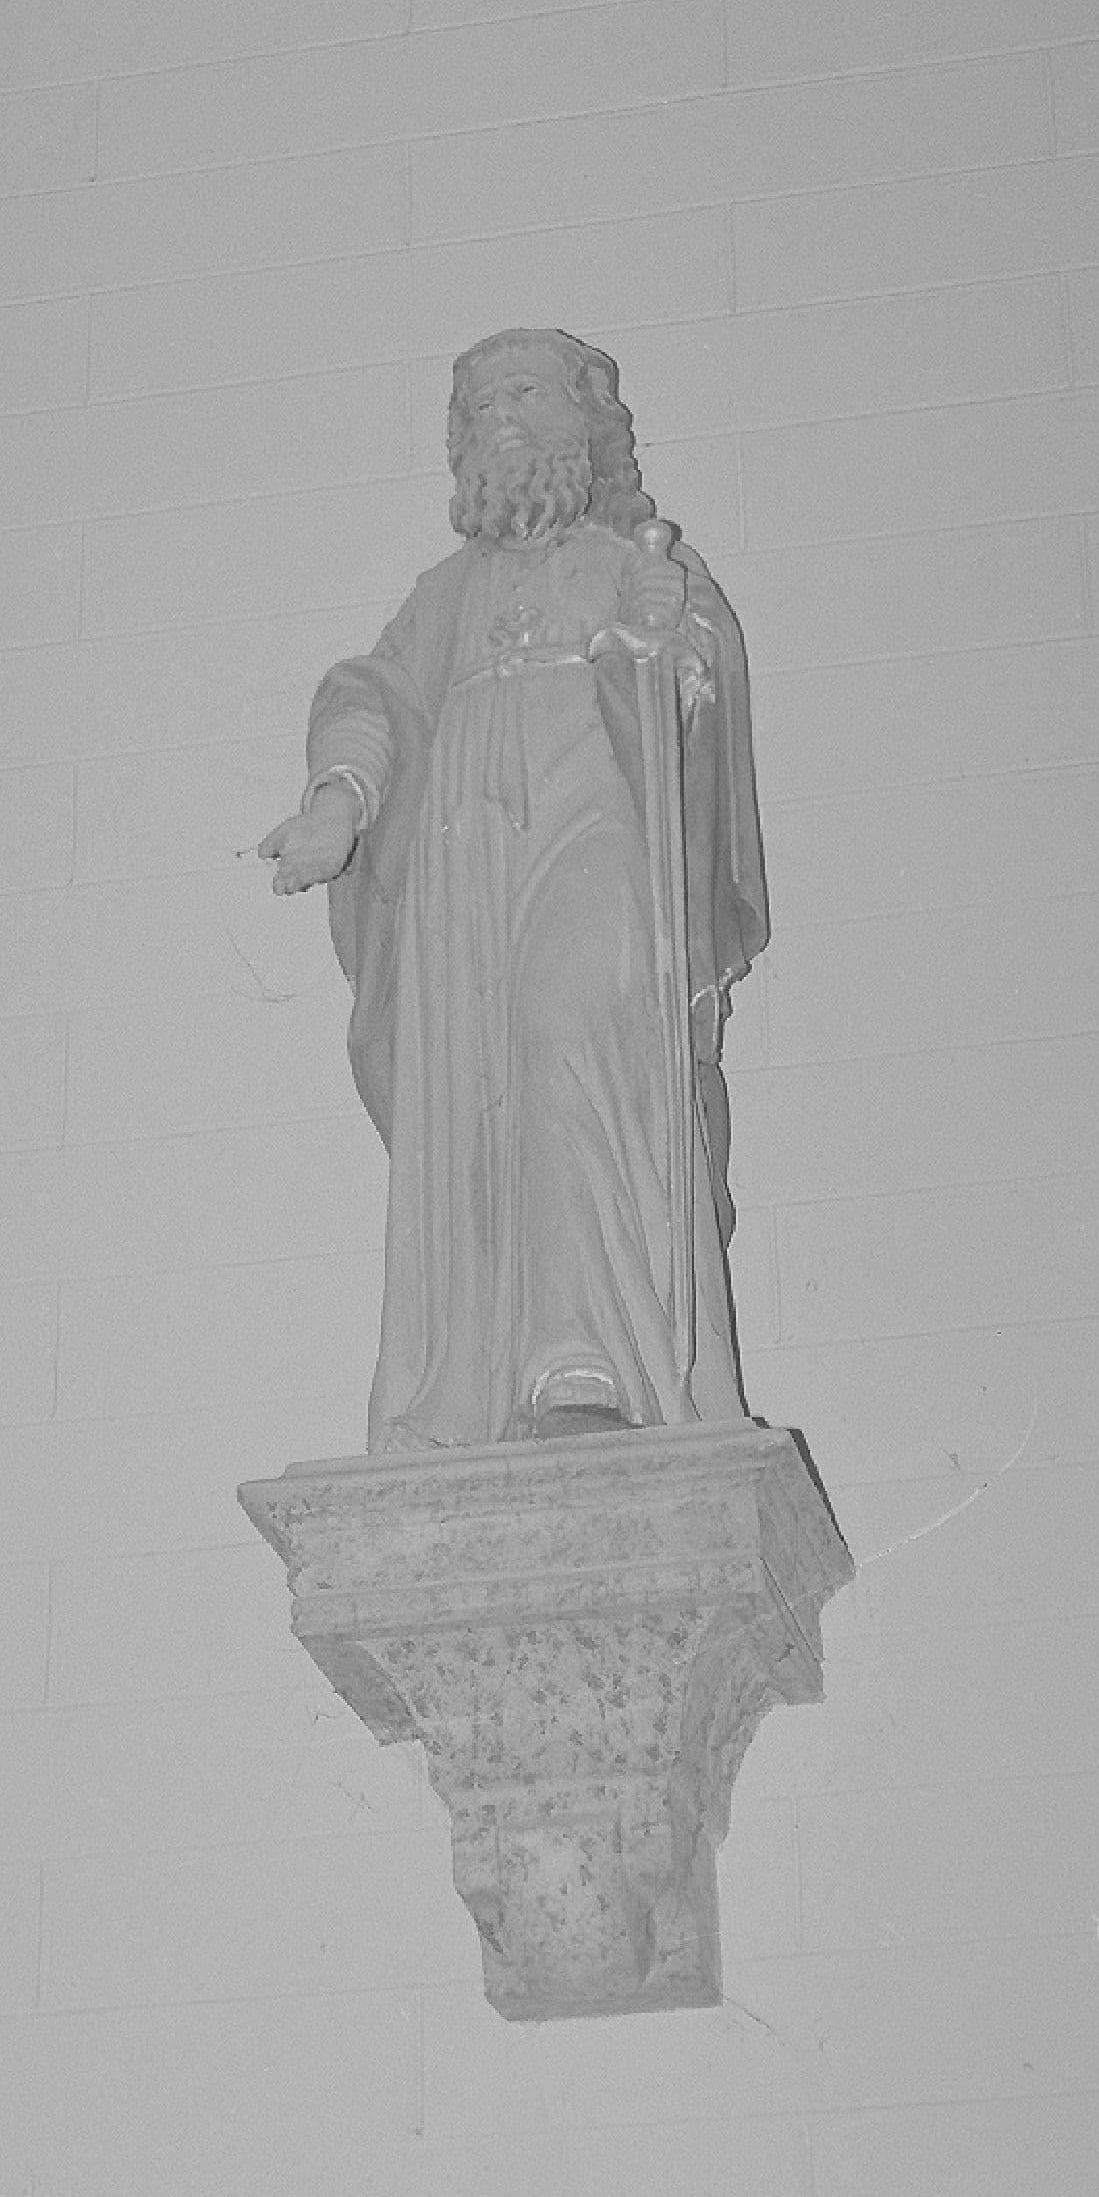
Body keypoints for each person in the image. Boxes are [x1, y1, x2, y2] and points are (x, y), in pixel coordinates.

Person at [260, 329, 768, 1454]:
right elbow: (373, 696)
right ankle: (479, 1372)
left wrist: (665, 649)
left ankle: (587, 1354)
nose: (494, 417)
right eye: (476, 405)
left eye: (522, 393)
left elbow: (696, 718)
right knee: (477, 1094)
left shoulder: (633, 560)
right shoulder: (446, 595)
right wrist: (340, 799)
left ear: (581, 424)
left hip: (594, 824)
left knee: (565, 1028)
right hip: (464, 857)